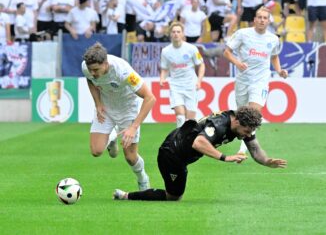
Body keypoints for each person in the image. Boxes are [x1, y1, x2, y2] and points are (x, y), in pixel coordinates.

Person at [113, 106, 287, 201]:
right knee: (173, 196)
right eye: (246, 131)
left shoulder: (242, 125)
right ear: (237, 121)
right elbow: (199, 142)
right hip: (171, 153)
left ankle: (125, 196)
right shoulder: (218, 124)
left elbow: (255, 149)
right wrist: (225, 157)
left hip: (181, 156)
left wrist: (267, 161)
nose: (247, 135)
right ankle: (126, 196)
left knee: (175, 195)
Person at [82, 42, 156, 190]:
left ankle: (142, 178)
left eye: (96, 69)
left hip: (127, 110)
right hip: (106, 108)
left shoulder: (123, 71)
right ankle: (112, 139)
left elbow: (150, 98)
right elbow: (90, 80)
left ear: (105, 64)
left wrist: (134, 127)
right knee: (96, 151)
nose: (93, 73)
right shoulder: (86, 68)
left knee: (130, 157)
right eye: (91, 70)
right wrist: (98, 104)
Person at [223, 6, 288, 154]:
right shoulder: (242, 34)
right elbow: (227, 52)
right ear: (254, 19)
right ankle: (237, 138)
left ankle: (243, 149)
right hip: (243, 80)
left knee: (254, 112)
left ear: (268, 21)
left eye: (265, 18)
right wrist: (238, 63)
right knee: (241, 115)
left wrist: (279, 70)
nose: (262, 20)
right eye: (259, 17)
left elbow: (274, 56)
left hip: (261, 81)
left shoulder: (273, 39)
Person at [160, 22, 205, 128]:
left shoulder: (192, 49)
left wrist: (199, 81)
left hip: (191, 85)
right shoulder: (165, 51)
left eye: (178, 32)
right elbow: (165, 68)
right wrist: (162, 78)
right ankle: (180, 142)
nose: (176, 34)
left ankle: (189, 142)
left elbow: (201, 65)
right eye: (174, 32)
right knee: (180, 116)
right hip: (176, 85)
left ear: (183, 34)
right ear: (170, 34)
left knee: (190, 120)